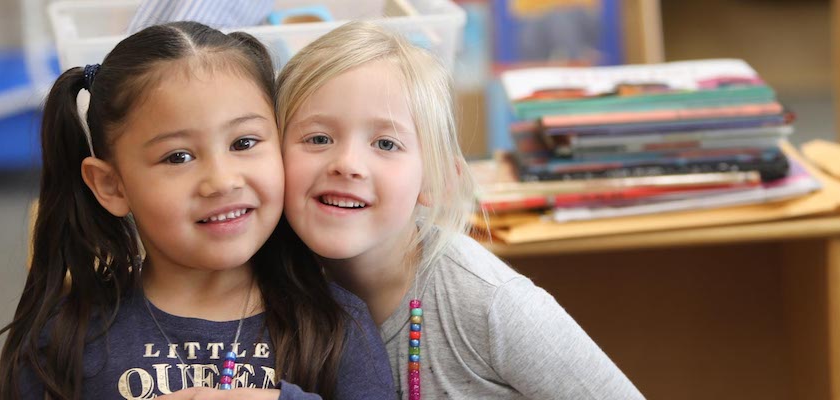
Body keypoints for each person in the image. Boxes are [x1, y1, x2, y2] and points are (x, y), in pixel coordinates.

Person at [0, 21, 393, 400]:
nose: (222, 180)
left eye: (244, 143)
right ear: (111, 185)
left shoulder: (337, 326)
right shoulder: (64, 339)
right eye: (178, 156)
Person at [276, 21, 643, 399]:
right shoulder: (263, 287)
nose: (348, 163)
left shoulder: (491, 303)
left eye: (385, 144)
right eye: (318, 138)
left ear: (436, 180)